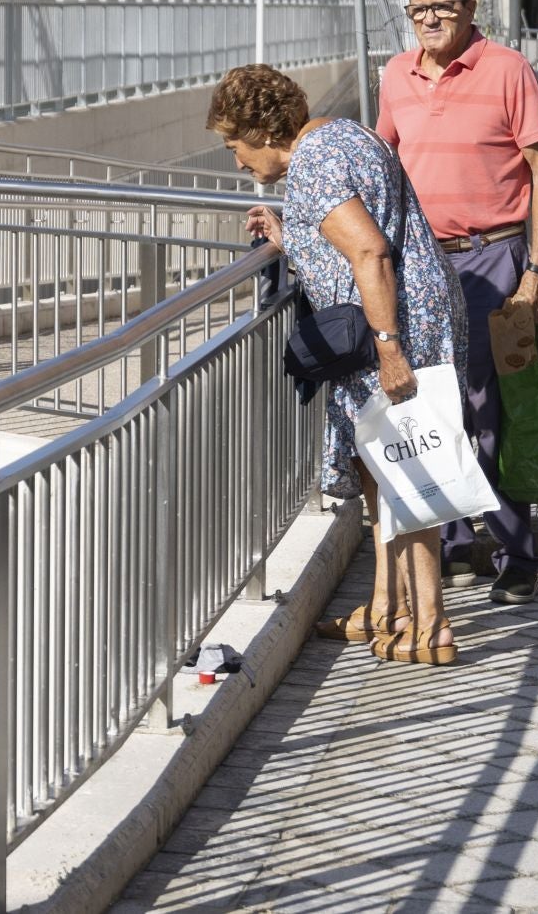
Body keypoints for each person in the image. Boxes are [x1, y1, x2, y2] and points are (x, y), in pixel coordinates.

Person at [212, 64, 469, 665]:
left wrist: (388, 348)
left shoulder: (313, 163)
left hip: (394, 325)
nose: (237, 163)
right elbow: (354, 230)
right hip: (420, 308)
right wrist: (290, 233)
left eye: (235, 147)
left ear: (261, 129)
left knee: (412, 465)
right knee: (390, 467)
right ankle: (393, 608)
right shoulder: (344, 134)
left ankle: (431, 627)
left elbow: (369, 249)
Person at [376, 0, 538, 607]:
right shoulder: (395, 75)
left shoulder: (508, 70)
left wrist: (535, 270)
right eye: (418, 9)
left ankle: (516, 553)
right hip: (422, 264)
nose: (428, 19)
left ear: (471, 8)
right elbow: (383, 167)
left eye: (442, 8)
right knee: (437, 404)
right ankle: (456, 543)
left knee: (495, 409)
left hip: (495, 259)